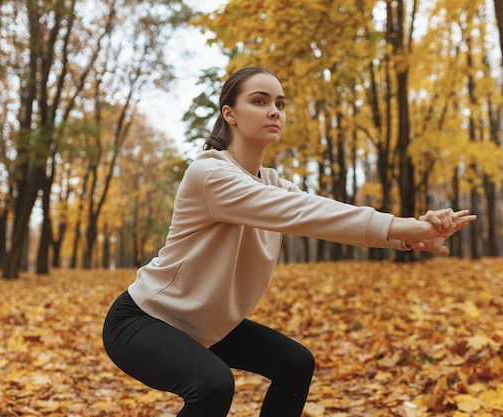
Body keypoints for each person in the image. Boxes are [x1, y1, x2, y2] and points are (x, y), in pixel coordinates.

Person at [102, 66, 477, 417]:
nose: (274, 111)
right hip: (144, 320)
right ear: (229, 113)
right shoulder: (210, 173)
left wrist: (407, 240)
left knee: (295, 363)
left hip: (204, 323)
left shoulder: (270, 181)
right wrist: (409, 226)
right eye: (260, 101)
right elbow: (303, 212)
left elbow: (325, 214)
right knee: (212, 384)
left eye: (280, 104)